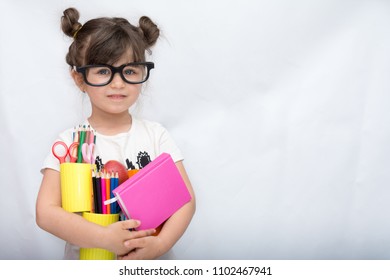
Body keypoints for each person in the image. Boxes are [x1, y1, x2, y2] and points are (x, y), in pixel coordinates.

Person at [36, 7, 196, 260]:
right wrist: (104, 238)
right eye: (103, 71)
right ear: (80, 79)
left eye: (130, 70)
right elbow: (46, 213)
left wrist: (160, 244)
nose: (118, 83)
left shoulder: (156, 135)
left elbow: (184, 200)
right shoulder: (69, 141)